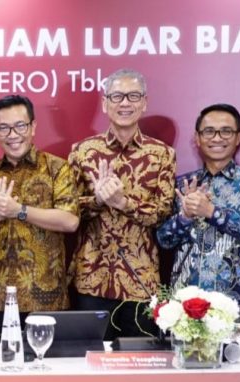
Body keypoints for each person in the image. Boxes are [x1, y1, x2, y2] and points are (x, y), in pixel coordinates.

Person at [68, 68, 176, 340]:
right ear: (105, 103)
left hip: (141, 279)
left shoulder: (162, 154)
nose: (125, 103)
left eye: (133, 96)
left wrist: (123, 203)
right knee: (90, 358)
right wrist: (98, 200)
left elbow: (163, 214)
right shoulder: (82, 151)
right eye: (117, 96)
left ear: (144, 102)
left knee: (139, 360)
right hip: (91, 276)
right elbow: (68, 211)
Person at [0, 95, 78, 339]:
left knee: (45, 363)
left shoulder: (57, 168)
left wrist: (19, 211)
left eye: (20, 126)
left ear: (33, 127)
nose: (13, 134)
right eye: (4, 128)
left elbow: (70, 220)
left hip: (47, 301)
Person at [157, 104, 240, 336]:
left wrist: (212, 212)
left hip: (238, 303)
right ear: (197, 138)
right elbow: (164, 240)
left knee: (237, 360)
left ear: (238, 137)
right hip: (185, 304)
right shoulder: (181, 184)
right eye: (209, 131)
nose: (217, 138)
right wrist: (185, 217)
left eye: (226, 131)